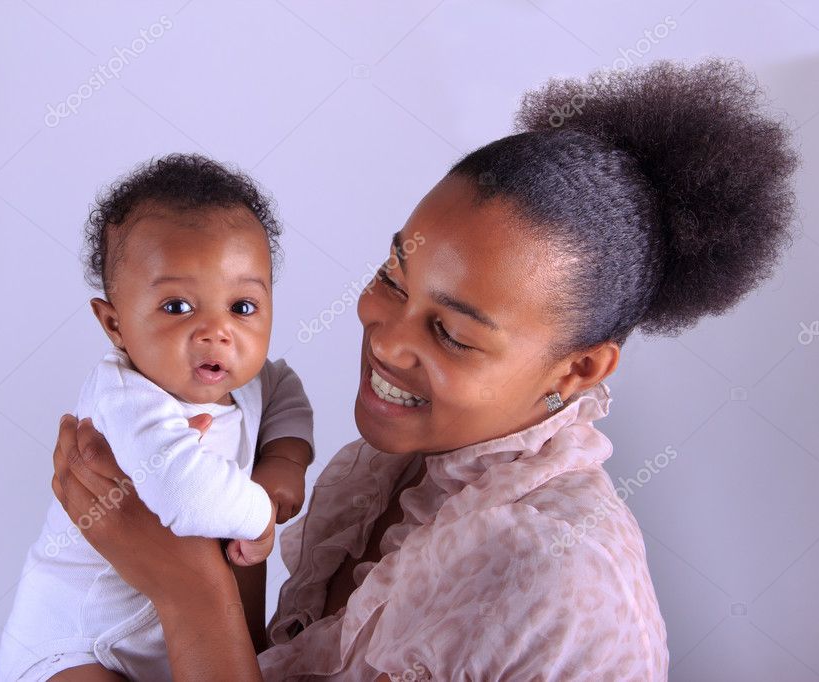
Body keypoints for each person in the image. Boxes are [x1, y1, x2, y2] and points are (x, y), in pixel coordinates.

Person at [47, 59, 799, 680]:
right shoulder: (374, 472)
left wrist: (188, 591)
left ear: (576, 372)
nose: (385, 337)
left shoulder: (550, 575)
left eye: (450, 331)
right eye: (393, 278)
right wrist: (228, 547)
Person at [0, 156, 315, 681]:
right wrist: (260, 515)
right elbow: (182, 494)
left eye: (242, 306)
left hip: (177, 642)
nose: (217, 332)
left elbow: (287, 395)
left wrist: (285, 458)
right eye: (177, 307)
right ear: (114, 324)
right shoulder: (126, 397)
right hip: (79, 641)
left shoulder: (253, 382)